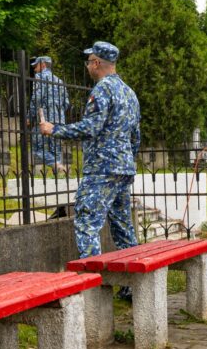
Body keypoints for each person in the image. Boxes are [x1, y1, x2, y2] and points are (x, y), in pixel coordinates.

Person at [39, 42, 140, 299]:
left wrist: (54, 129)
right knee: (123, 228)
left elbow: (91, 127)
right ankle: (133, 287)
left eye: (88, 61)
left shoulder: (102, 89)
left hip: (101, 169)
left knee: (86, 223)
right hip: (122, 168)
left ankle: (95, 294)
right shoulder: (129, 92)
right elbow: (135, 136)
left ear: (96, 63)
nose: (87, 66)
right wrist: (126, 160)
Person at [28, 56, 70, 174]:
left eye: (36, 66)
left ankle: (56, 165)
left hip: (44, 120)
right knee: (56, 150)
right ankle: (60, 175)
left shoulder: (40, 77)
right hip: (59, 120)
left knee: (36, 148)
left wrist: (29, 116)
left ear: (43, 65)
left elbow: (36, 98)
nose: (35, 70)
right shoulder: (59, 81)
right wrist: (58, 114)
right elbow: (66, 103)